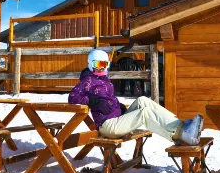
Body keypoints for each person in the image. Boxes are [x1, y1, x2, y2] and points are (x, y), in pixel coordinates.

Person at [68, 49, 204, 146]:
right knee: (144, 113)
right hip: (108, 126)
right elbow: (72, 98)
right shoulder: (87, 81)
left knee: (143, 100)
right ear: (91, 64)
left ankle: (181, 127)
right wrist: (93, 102)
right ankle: (181, 134)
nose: (101, 68)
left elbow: (108, 99)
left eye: (104, 64)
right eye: (98, 64)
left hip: (117, 120)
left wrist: (118, 106)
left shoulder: (105, 80)